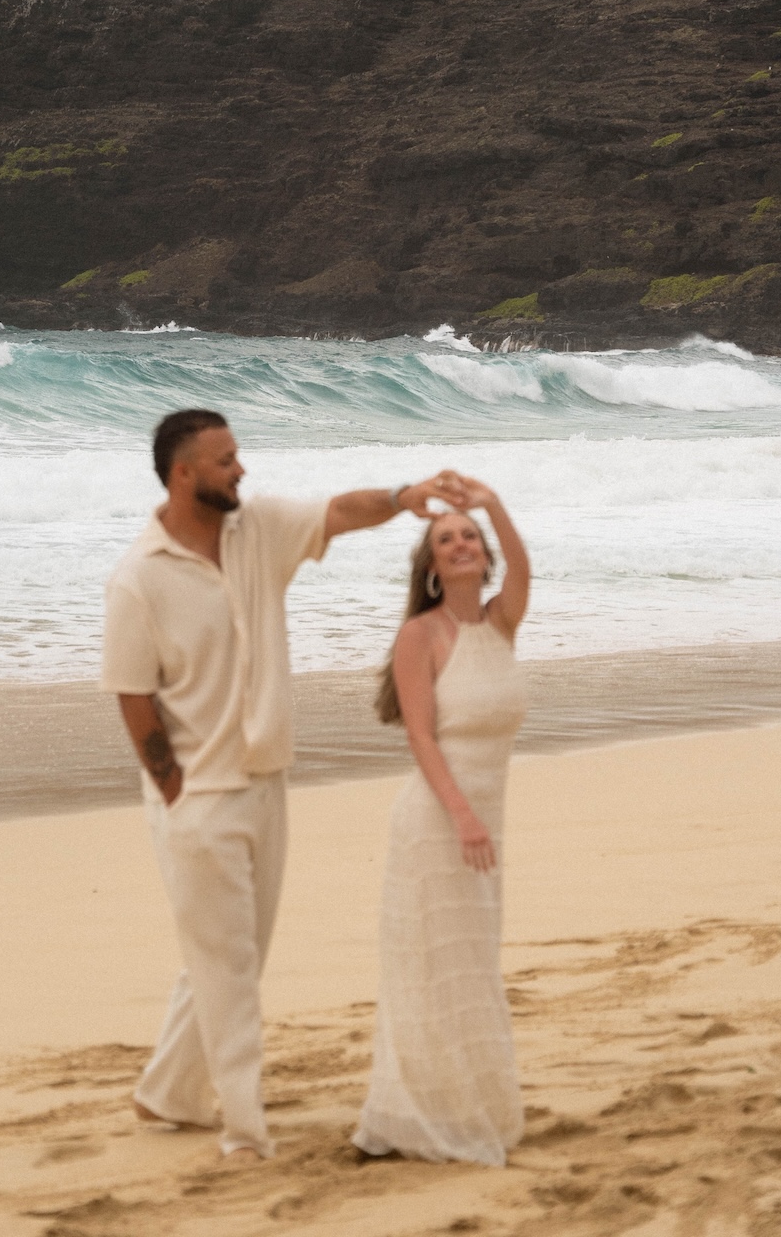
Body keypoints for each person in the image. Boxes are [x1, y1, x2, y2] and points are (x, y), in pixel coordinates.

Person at [101, 406, 464, 1161]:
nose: (241, 470)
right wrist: (174, 792)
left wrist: (403, 496)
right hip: (197, 796)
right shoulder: (138, 578)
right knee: (228, 967)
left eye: (237, 456)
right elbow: (133, 695)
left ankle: (167, 1091)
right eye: (226, 460)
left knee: (233, 952)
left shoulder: (257, 530)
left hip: (266, 779)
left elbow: (336, 514)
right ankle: (243, 1129)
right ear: (184, 474)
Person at [353, 474, 531, 1166]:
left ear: (482, 556)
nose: (459, 545)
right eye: (445, 540)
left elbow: (524, 565)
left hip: (486, 821)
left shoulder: (501, 621)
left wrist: (492, 504)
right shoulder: (419, 635)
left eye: (468, 539)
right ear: (429, 568)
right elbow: (421, 737)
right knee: (432, 967)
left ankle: (463, 1106)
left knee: (473, 964)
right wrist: (461, 817)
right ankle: (405, 1117)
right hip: (438, 822)